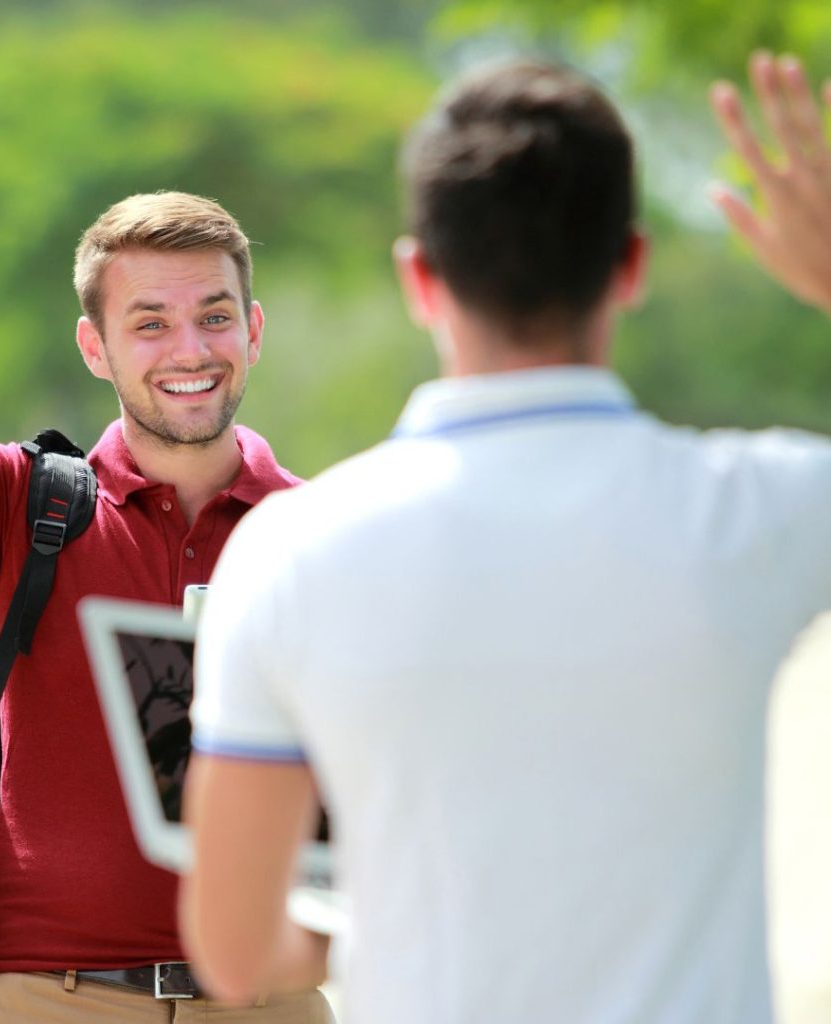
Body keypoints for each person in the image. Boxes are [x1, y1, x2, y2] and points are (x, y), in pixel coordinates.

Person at [180, 50, 831, 1024]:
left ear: (419, 277)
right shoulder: (759, 509)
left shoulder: (286, 551)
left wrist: (370, 920)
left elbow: (231, 952)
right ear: (631, 264)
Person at [0, 49, 333, 1023]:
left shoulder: (326, 534)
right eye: (150, 324)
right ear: (95, 347)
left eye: (214, 316)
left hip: (271, 1002)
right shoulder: (24, 508)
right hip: (52, 1001)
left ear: (252, 330)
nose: (190, 350)